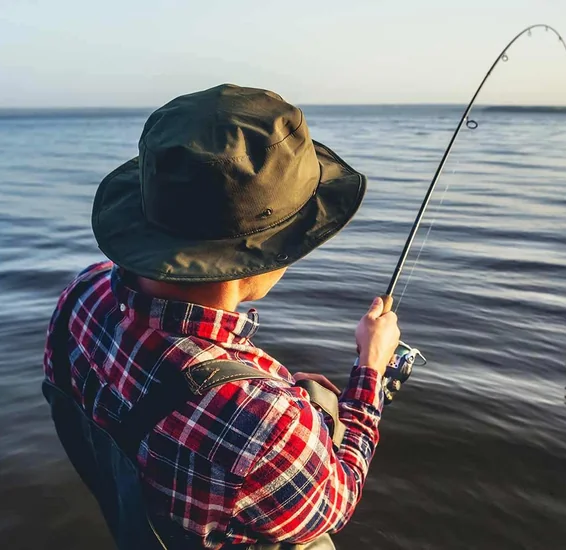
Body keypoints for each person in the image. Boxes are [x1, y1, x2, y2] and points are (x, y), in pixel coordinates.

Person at [42, 84, 400, 549]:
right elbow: (339, 498)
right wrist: (370, 369)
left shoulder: (81, 294)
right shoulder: (264, 420)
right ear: (268, 249)